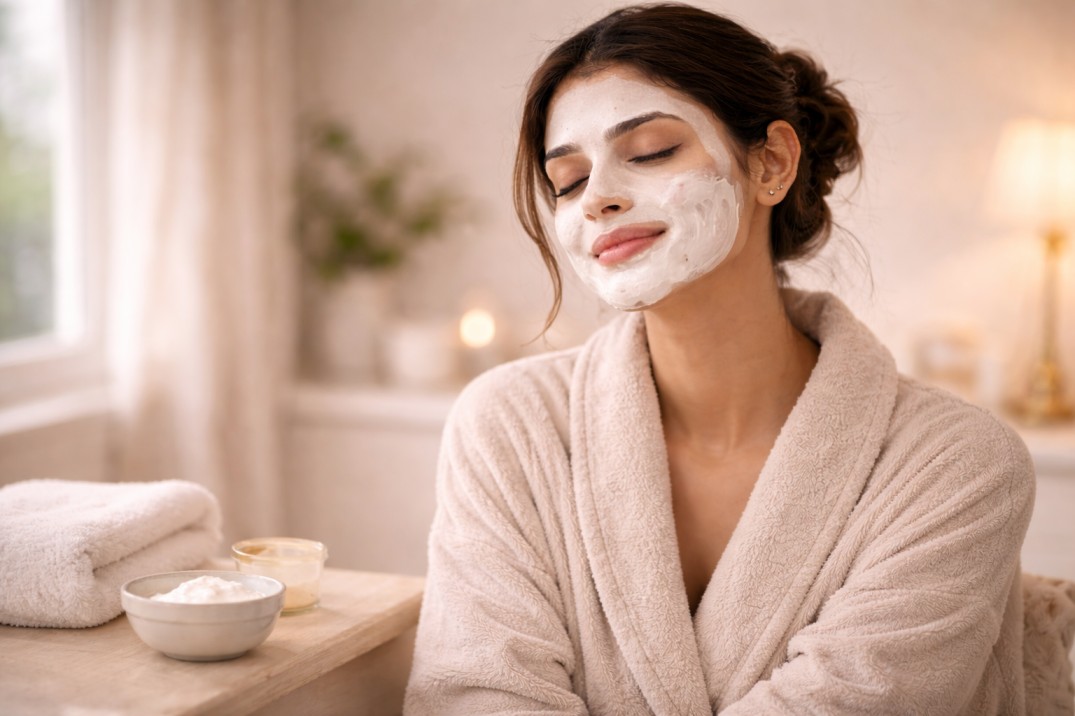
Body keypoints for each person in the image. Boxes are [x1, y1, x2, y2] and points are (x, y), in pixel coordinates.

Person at [404, 4, 1035, 714]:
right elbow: (477, 695)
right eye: (569, 180)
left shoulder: (955, 465)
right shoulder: (509, 426)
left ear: (770, 163)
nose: (598, 199)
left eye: (649, 151)